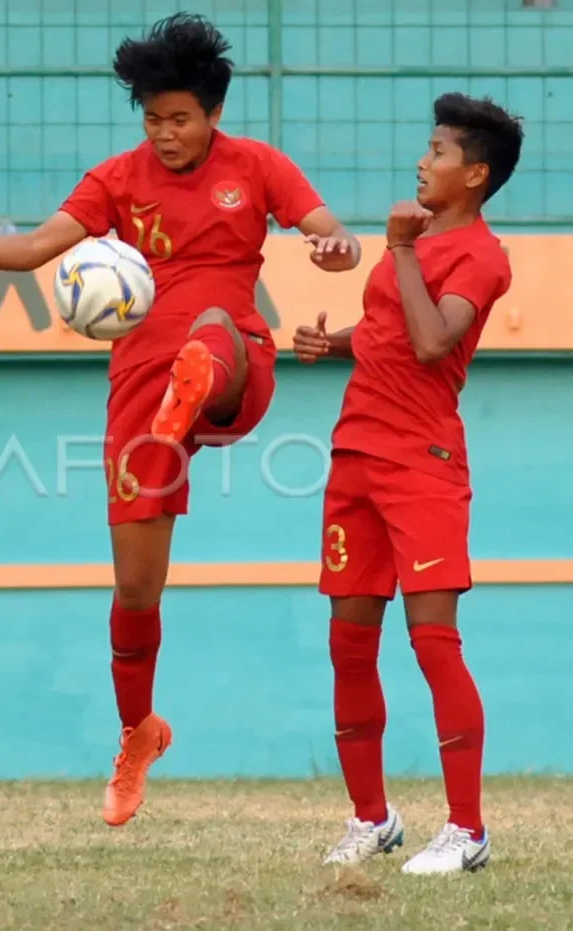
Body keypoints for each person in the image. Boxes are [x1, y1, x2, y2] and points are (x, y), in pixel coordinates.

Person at [0, 13, 360, 827]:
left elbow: (334, 234)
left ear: (214, 114)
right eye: (152, 119)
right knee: (134, 589)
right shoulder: (117, 178)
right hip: (139, 392)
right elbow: (45, 244)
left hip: (234, 363)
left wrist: (334, 249)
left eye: (179, 118)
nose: (164, 134)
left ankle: (199, 382)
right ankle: (138, 730)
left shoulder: (257, 167)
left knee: (212, 334)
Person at [294, 93, 522, 874]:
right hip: (354, 451)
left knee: (433, 643)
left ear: (476, 174)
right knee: (348, 647)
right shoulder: (416, 245)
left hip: (422, 461)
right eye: (426, 149)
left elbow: (431, 341)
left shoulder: (482, 256)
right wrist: (338, 343)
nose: (422, 162)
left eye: (438, 152)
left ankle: (467, 829)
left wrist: (397, 249)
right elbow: (394, 329)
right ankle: (372, 819)